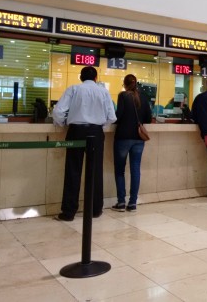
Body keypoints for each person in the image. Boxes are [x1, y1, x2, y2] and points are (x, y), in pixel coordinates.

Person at [52, 66, 117, 221]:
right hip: (95, 133)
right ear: (96, 78)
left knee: (73, 171)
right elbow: (111, 116)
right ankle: (95, 209)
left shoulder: (73, 89)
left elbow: (58, 111)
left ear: (81, 77)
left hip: (76, 131)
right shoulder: (103, 91)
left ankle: (68, 212)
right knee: (95, 171)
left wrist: (62, 123)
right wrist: (99, 125)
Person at [111, 74, 152, 212]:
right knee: (135, 169)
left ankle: (121, 202)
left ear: (125, 84)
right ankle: (133, 202)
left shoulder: (123, 96)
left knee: (120, 170)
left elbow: (119, 116)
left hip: (123, 137)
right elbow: (148, 117)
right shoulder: (143, 97)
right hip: (139, 138)